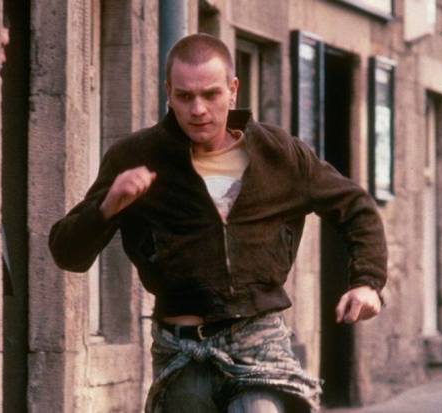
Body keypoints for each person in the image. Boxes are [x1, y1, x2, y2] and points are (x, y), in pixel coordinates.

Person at [48, 33, 387, 413]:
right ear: (168, 93)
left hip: (258, 341)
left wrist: (367, 282)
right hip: (181, 351)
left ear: (233, 90)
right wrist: (107, 207)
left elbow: (355, 206)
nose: (198, 109)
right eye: (184, 96)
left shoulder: (279, 154)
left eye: (210, 94)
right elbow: (67, 253)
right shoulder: (135, 156)